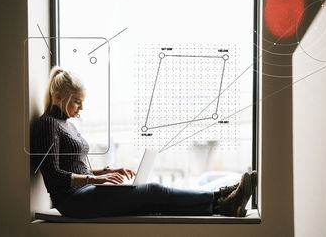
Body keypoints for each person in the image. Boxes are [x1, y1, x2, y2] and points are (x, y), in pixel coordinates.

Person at [31, 66, 257, 218]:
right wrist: (94, 179)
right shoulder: (47, 124)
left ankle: (221, 206)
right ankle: (220, 196)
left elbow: (75, 167)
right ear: (59, 97)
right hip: (72, 202)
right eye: (77, 102)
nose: (81, 107)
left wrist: (105, 172)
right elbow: (53, 175)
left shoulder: (68, 125)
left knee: (150, 200)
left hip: (84, 192)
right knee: (152, 190)